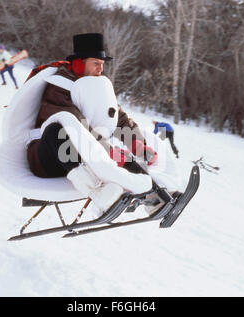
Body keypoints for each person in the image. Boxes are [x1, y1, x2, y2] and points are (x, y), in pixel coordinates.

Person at [26, 33, 156, 215]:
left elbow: (116, 116)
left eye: (102, 65)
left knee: (122, 156)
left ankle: (155, 197)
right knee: (58, 130)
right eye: (96, 63)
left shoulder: (94, 86)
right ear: (79, 63)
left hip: (85, 154)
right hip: (48, 155)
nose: (100, 69)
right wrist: (107, 151)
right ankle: (99, 195)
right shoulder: (59, 87)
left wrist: (136, 143)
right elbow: (75, 125)